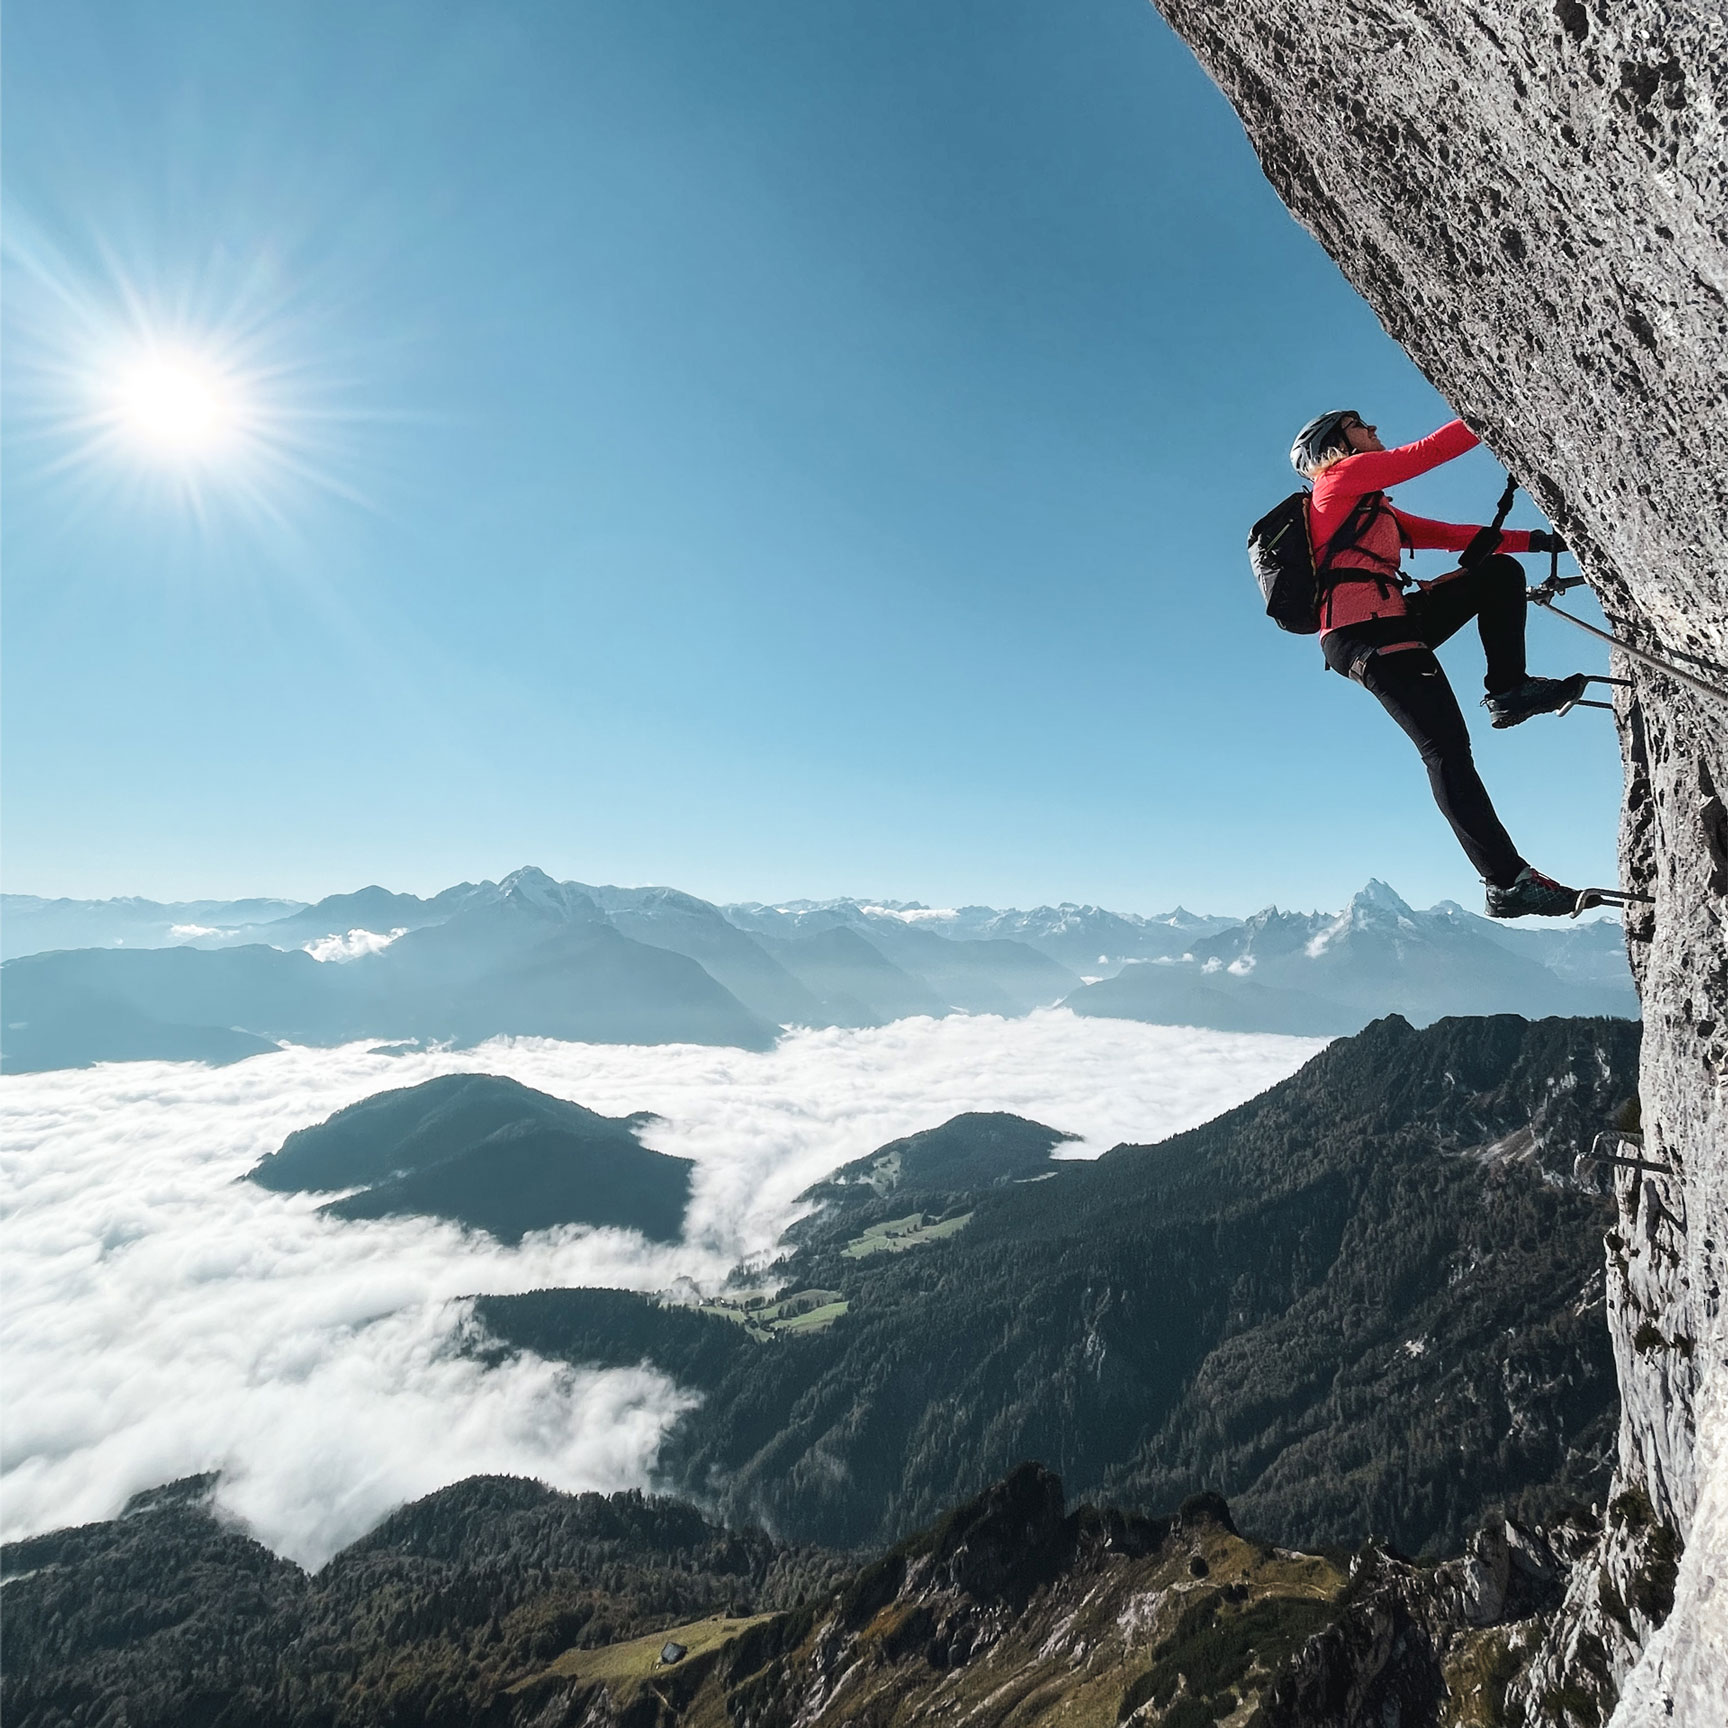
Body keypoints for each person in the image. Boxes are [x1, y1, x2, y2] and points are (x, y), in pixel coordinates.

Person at [1290, 409, 1585, 918]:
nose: (1376, 430)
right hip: (1369, 634)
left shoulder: (1370, 508)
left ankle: (1510, 689)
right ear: (1334, 444)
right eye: (1362, 426)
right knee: (1446, 750)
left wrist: (1539, 541)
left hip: (1388, 624)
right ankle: (1506, 882)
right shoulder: (1338, 478)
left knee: (1497, 573)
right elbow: (1426, 454)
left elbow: (1454, 536)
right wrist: (1489, 407)